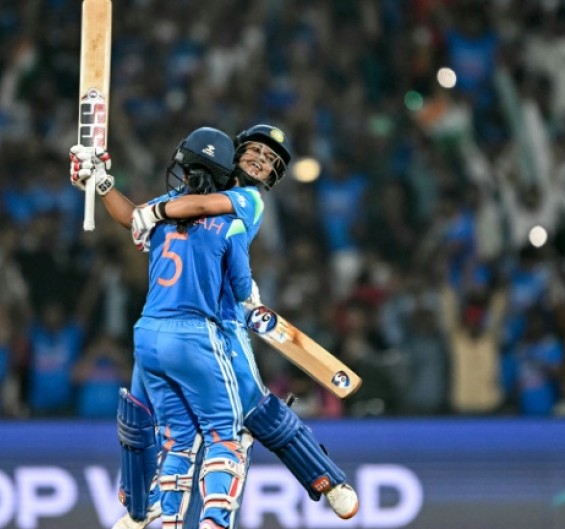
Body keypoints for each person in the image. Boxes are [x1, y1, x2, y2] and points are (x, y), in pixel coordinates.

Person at [71, 124, 359, 524]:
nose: (263, 160)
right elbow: (139, 216)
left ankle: (329, 480)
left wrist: (151, 211)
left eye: (272, 160)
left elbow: (193, 209)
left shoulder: (247, 199)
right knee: (152, 420)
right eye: (256, 151)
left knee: (255, 413)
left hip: (220, 325)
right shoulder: (183, 198)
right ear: (232, 154)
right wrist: (101, 183)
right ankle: (148, 508)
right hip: (198, 324)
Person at [73, 127, 257, 529]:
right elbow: (241, 287)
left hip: (149, 334)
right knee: (226, 435)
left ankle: (169, 522)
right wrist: (252, 299)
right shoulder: (233, 216)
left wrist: (102, 183)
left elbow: (129, 217)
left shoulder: (163, 209)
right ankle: (214, 521)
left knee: (176, 439)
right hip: (196, 334)